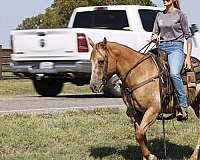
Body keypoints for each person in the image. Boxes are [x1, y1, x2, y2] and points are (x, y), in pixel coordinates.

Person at [152, 0, 192, 120]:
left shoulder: (180, 15)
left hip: (175, 48)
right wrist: (154, 37)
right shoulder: (159, 15)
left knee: (174, 73)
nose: (165, 0)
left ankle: (183, 105)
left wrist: (188, 57)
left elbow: (188, 37)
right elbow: (154, 33)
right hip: (160, 48)